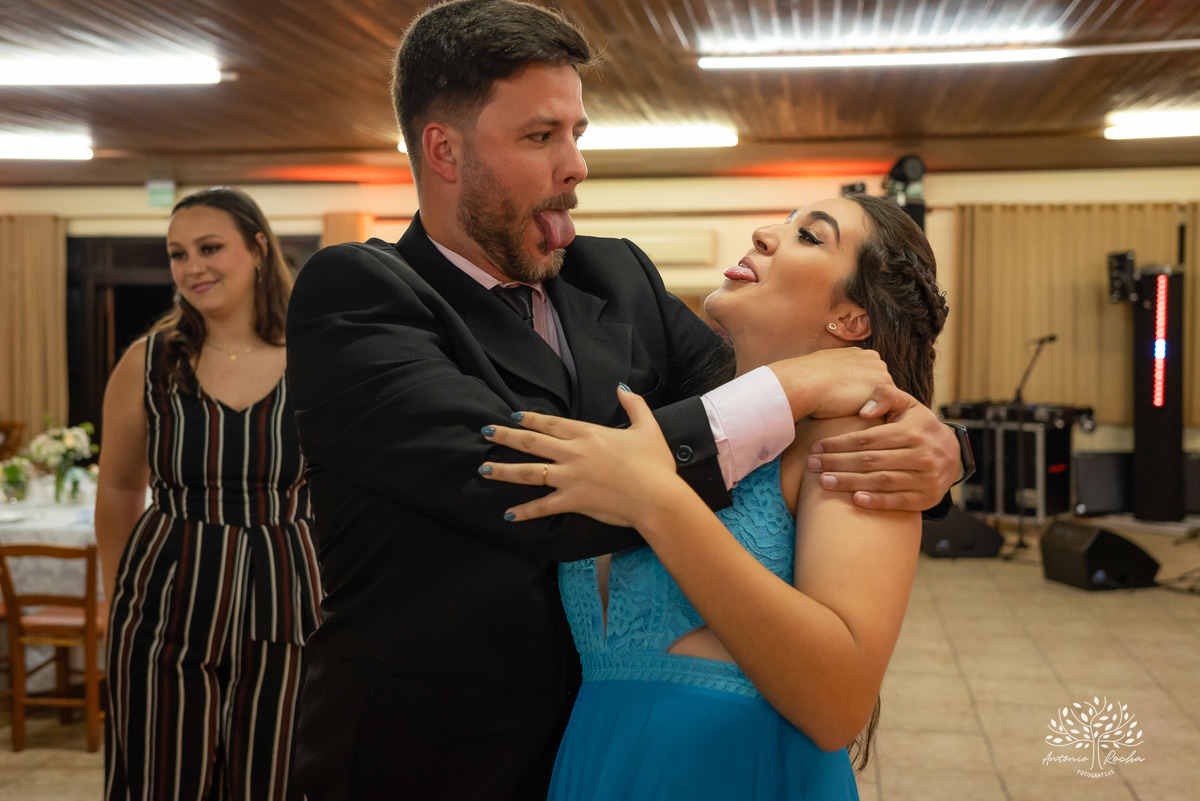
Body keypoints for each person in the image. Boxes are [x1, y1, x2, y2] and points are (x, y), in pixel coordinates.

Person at [284, 2, 962, 798]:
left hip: (604, 754)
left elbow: (767, 398)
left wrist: (932, 438)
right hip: (432, 760)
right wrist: (798, 383)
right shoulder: (359, 297)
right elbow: (539, 481)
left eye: (577, 134)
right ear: (444, 150)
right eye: (541, 137)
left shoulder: (618, 279)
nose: (574, 166)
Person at [480, 193, 945, 798]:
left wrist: (657, 502)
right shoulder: (684, 418)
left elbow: (837, 705)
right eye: (782, 221)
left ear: (852, 319)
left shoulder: (857, 444)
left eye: (810, 236)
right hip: (598, 764)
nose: (763, 233)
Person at [95, 187, 321, 801]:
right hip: (165, 598)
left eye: (210, 248)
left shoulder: (317, 358)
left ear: (256, 248)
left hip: (287, 599)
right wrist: (117, 603)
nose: (192, 266)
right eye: (177, 254)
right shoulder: (149, 362)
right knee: (159, 774)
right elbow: (117, 486)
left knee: (272, 776)